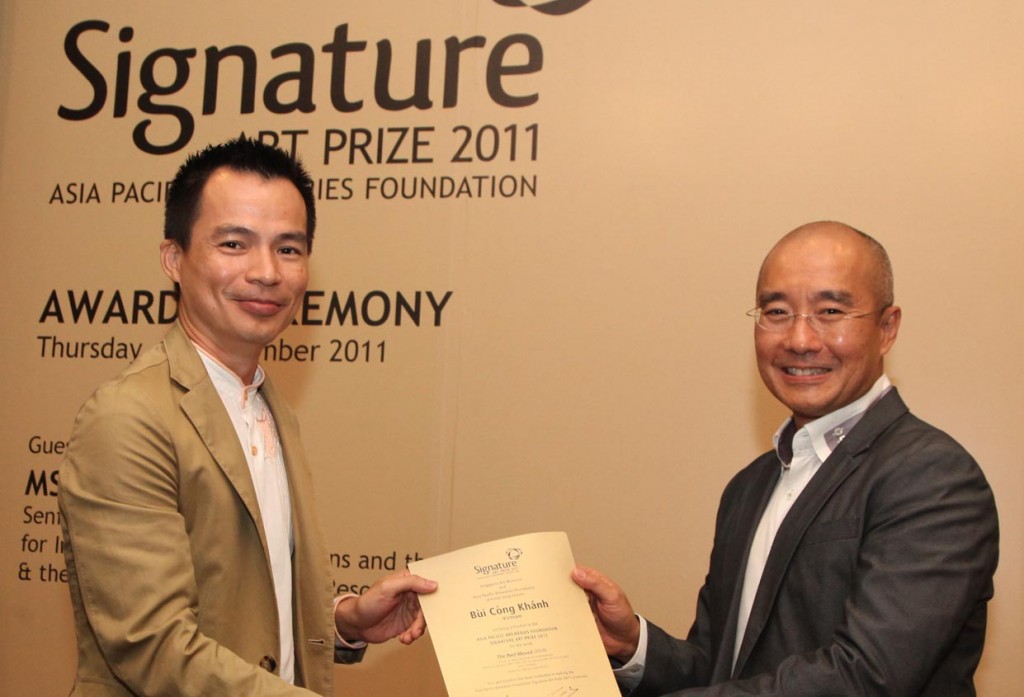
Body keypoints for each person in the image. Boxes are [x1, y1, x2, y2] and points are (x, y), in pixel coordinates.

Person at [58, 137, 437, 696]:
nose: (266, 272)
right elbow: (153, 646)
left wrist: (345, 621)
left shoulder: (267, 406)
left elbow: (244, 608)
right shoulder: (129, 418)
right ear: (174, 260)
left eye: (289, 249)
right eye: (235, 244)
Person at [573, 221, 999, 696]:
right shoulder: (748, 487)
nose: (799, 339)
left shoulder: (934, 479)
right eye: (776, 311)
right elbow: (724, 670)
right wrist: (634, 645)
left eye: (830, 311)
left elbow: (865, 677)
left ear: (887, 328)